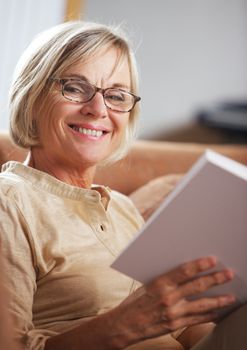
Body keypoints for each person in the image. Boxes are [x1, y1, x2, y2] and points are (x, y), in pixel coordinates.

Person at [0, 20, 245, 350]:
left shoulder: (124, 210)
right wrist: (125, 325)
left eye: (116, 95)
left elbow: (181, 332)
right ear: (32, 95)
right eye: (74, 87)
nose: (98, 109)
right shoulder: (10, 200)